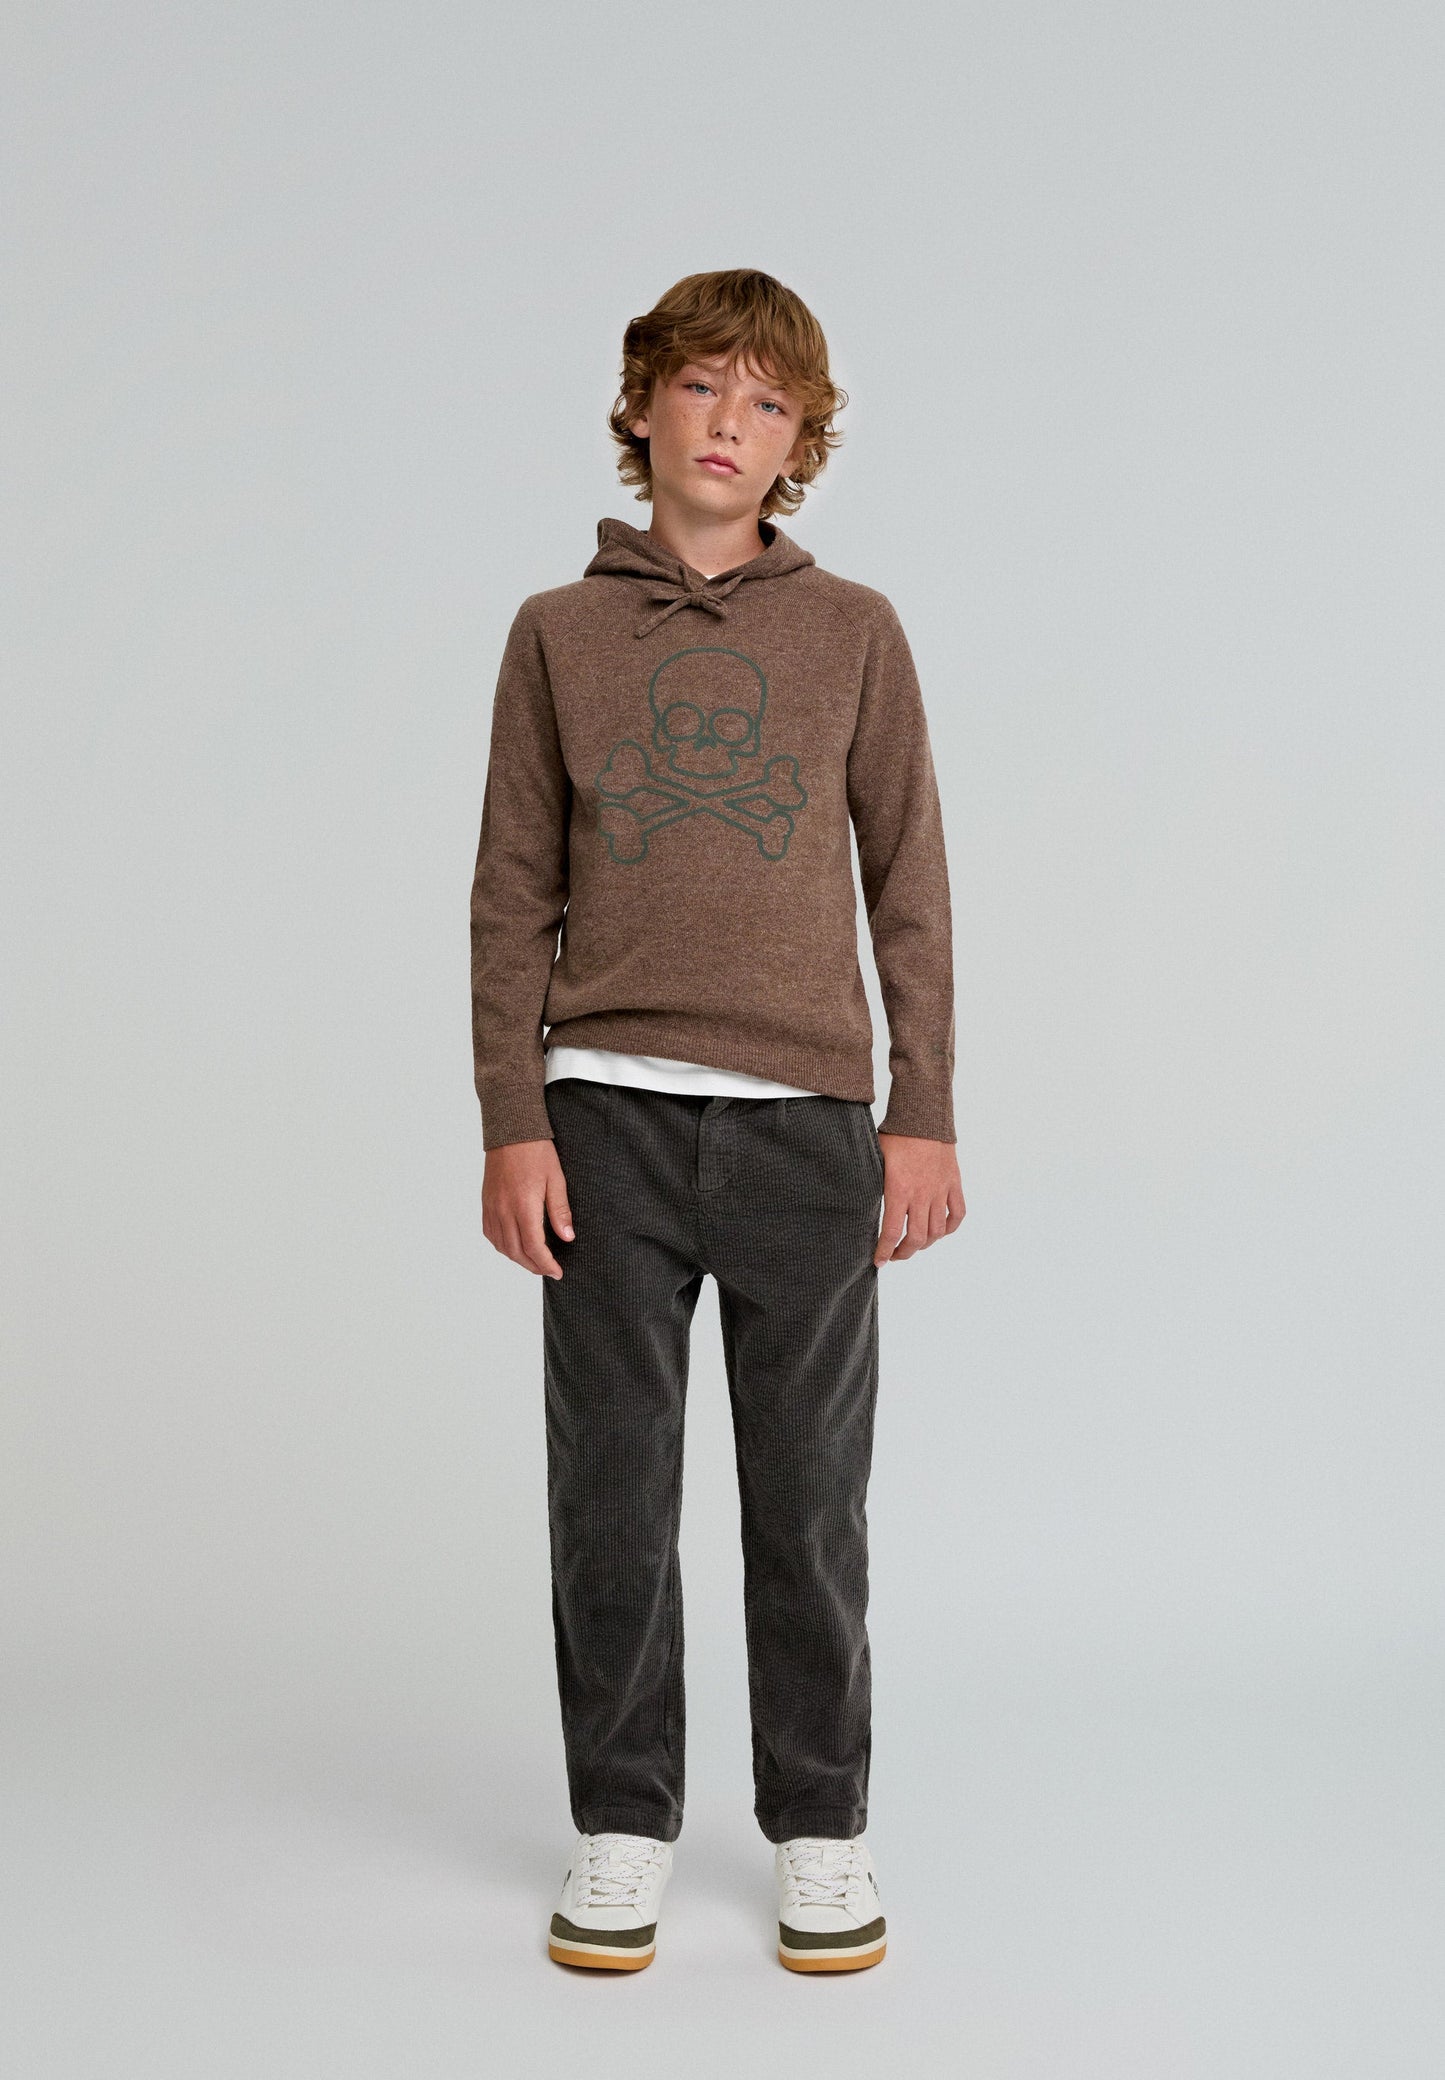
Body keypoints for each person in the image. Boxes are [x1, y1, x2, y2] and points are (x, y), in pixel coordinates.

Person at [469, 267, 964, 1974]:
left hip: (807, 1130)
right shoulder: (555, 633)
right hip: (601, 1120)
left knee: (808, 1501)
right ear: (642, 406)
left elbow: (909, 880)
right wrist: (511, 1117)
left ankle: (820, 1826)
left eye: (765, 402)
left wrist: (923, 1110)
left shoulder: (853, 632)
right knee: (609, 1496)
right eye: (699, 387)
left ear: (799, 438)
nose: (727, 424)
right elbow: (509, 892)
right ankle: (621, 1821)